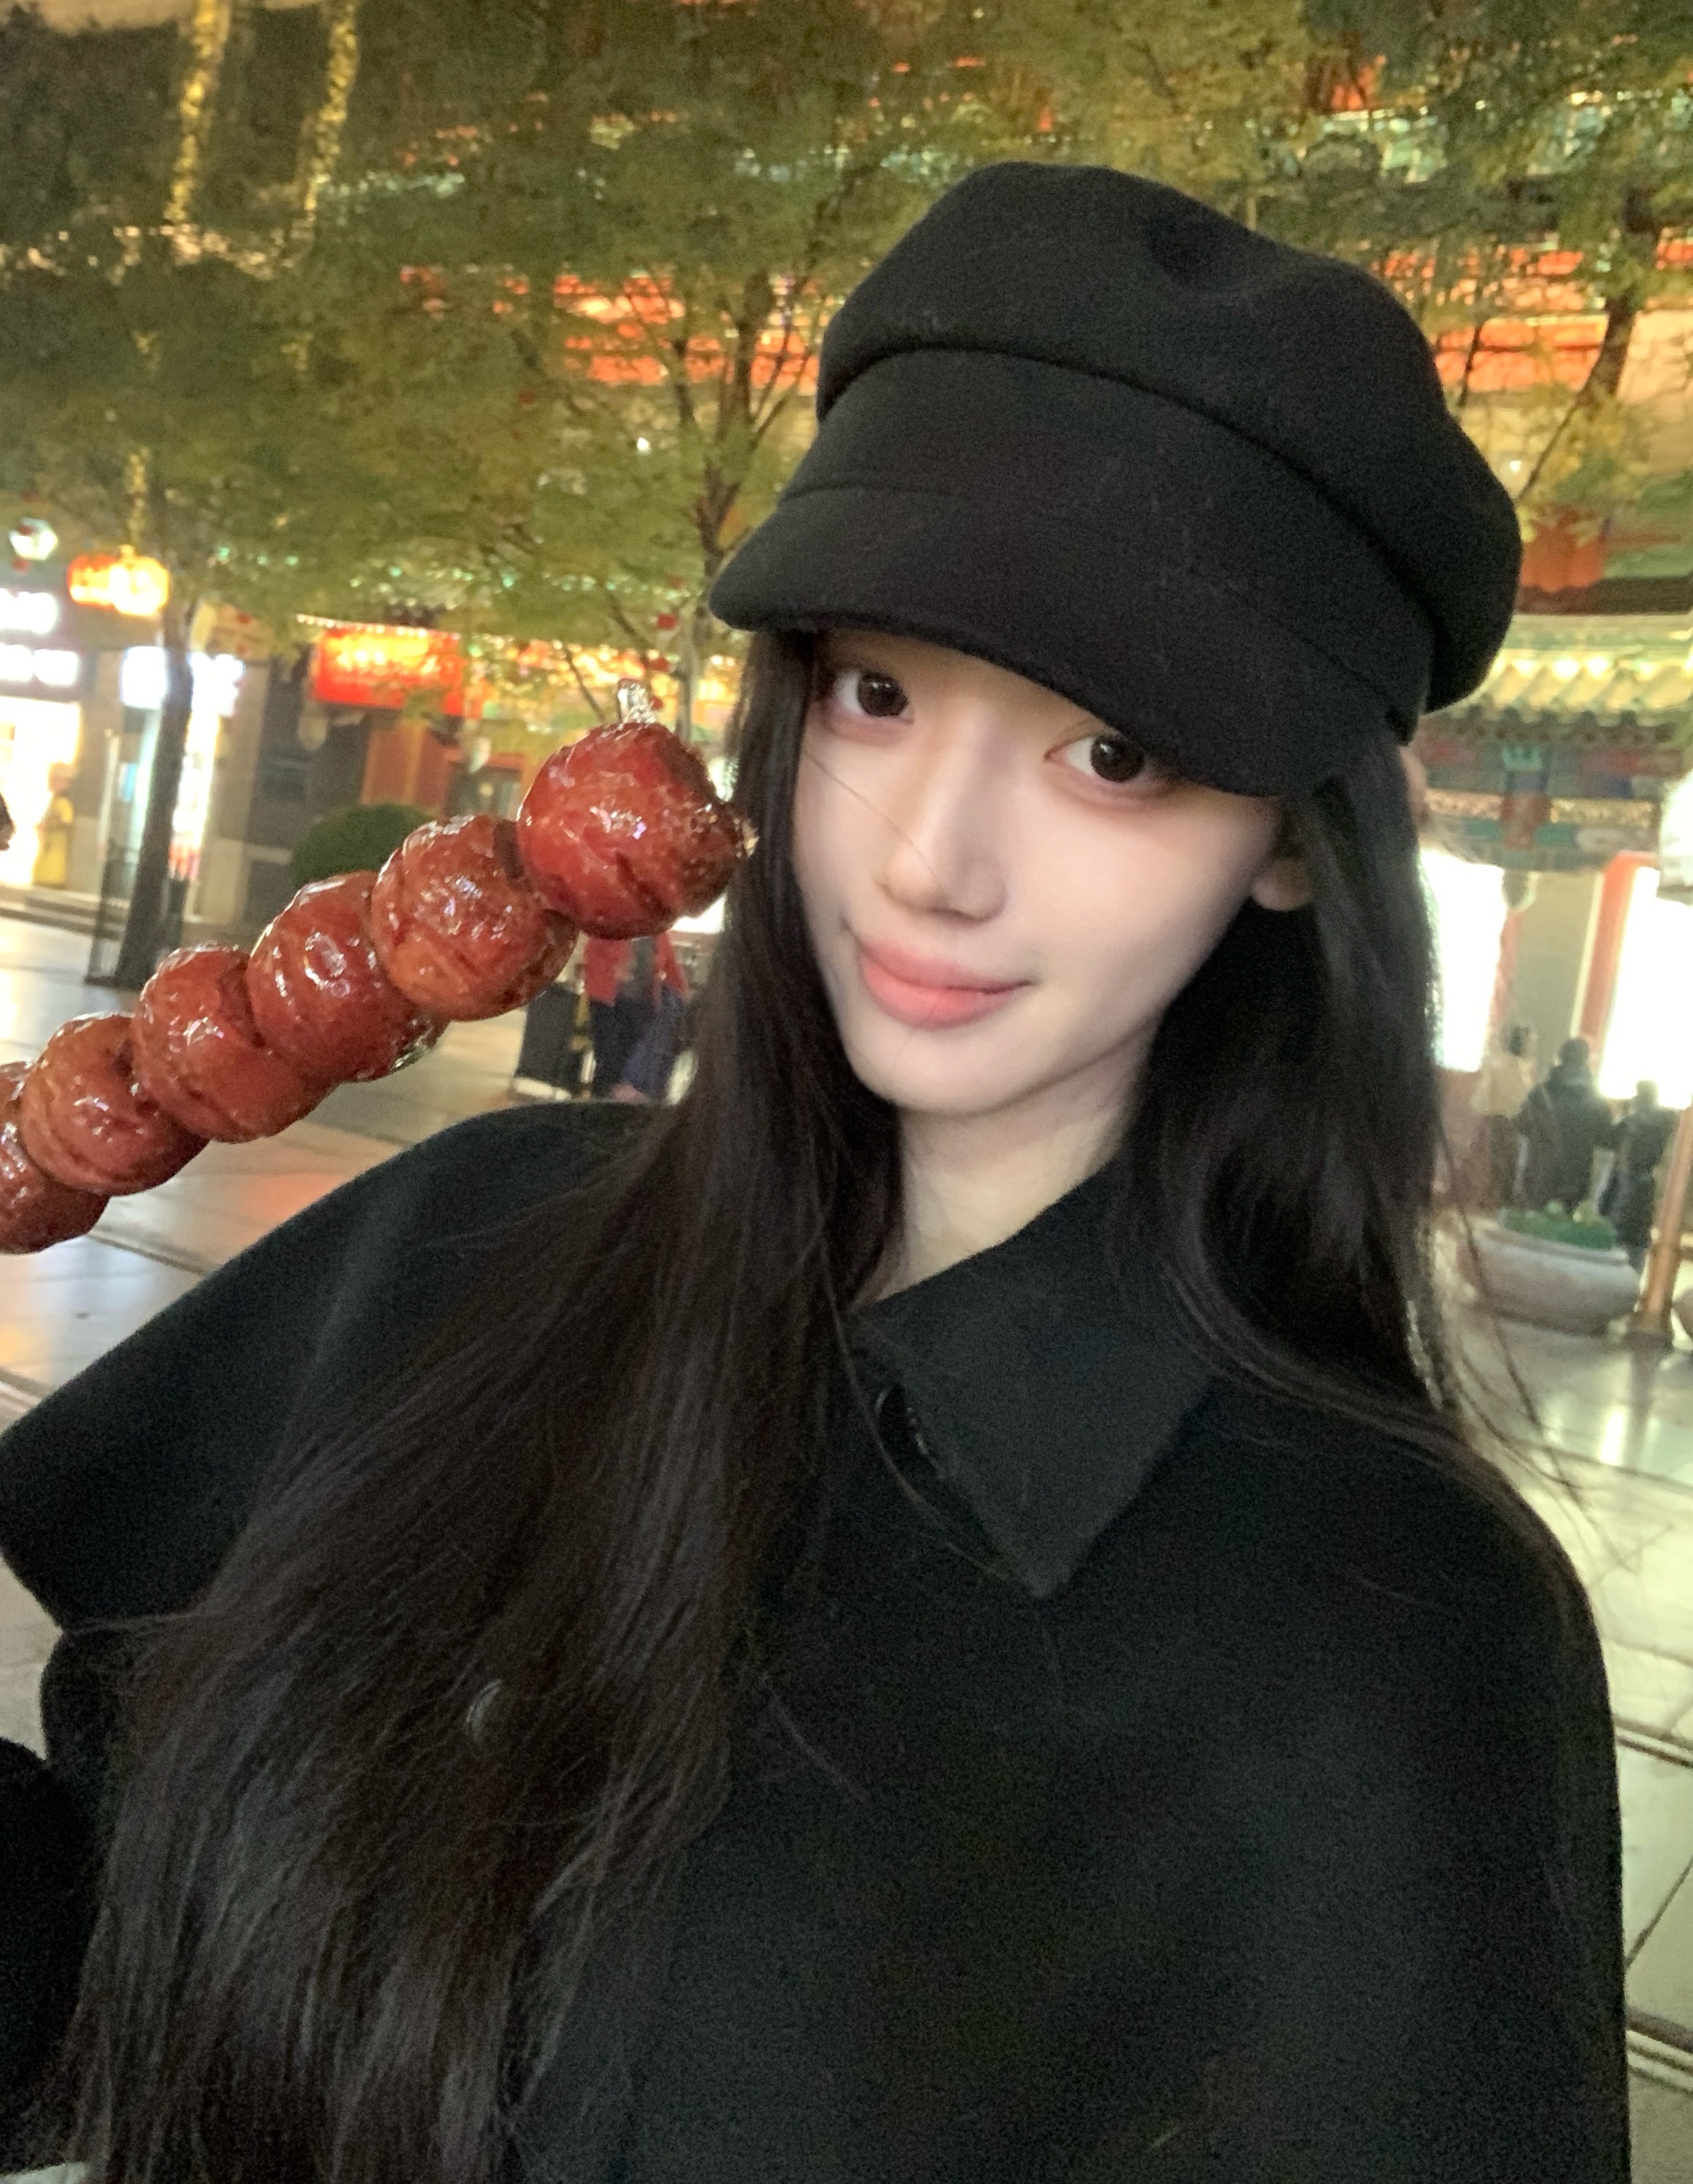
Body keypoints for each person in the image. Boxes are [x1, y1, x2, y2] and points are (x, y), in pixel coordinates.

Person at [0, 167, 1624, 2182]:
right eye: (878, 692)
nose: (928, 859)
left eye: (1109, 753)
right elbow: (96, 1947)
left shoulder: (1394, 1637)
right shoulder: (454, 1245)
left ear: (1290, 841)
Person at [1515, 1036, 1616, 1217]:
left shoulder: (1541, 1093)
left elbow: (1522, 1125)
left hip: (1540, 1174)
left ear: (1560, 1056)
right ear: (1586, 1059)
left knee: (1533, 1220)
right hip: (1576, 1177)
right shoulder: (1596, 1101)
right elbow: (1606, 1139)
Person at [582, 931, 689, 1102]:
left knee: (634, 1054)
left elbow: (672, 968)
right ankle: (604, 1098)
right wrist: (613, 972)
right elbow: (592, 957)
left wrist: (685, 997)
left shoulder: (659, 934)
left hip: (642, 1005)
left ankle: (624, 1097)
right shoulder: (612, 927)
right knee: (609, 1055)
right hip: (609, 1002)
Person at [1598, 1079, 1678, 1269]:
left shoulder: (1630, 1121)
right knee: (1636, 1242)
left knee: (1618, 1236)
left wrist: (1622, 1112)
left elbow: (1606, 1139)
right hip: (1644, 1182)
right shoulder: (1665, 1121)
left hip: (1624, 1180)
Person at [1466, 1022, 1536, 1209]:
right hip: (1511, 1124)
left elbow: (1481, 1099)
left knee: (1490, 1164)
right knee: (1505, 1165)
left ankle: (1486, 1200)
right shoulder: (1523, 1071)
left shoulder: (1496, 1064)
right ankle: (1498, 1202)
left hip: (1494, 1121)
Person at [30, 765, 75, 889]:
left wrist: (46, 825)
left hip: (53, 869)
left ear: (65, 782)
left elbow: (66, 821)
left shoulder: (64, 802)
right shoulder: (55, 801)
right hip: (46, 865)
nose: (50, 781)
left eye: (54, 778)